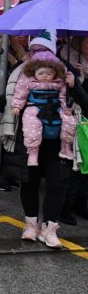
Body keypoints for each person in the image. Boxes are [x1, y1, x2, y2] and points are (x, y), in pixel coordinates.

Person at [1, 31, 72, 249]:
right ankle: (31, 223)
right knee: (29, 181)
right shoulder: (20, 72)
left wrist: (73, 85)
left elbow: (79, 101)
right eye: (35, 50)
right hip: (28, 137)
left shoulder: (65, 70)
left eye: (43, 50)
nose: (38, 54)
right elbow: (12, 98)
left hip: (58, 140)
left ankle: (50, 228)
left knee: (57, 184)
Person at [10, 35, 76, 167]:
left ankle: (66, 146)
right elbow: (20, 90)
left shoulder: (60, 79)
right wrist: (17, 105)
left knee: (70, 122)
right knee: (31, 124)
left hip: (55, 108)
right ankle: (33, 151)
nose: (45, 76)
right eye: (34, 50)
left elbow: (64, 95)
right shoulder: (28, 76)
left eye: (48, 74)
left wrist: (66, 107)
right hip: (35, 107)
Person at [57, 37, 88, 224]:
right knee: (75, 163)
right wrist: (79, 78)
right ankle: (66, 206)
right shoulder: (69, 60)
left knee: (85, 165)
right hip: (77, 118)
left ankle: (80, 203)